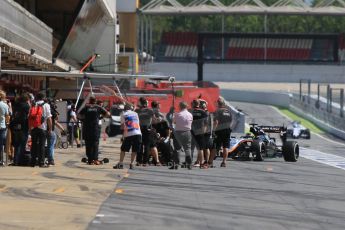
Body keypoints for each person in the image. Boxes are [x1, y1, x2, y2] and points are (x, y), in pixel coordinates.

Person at [78, 95, 110, 165]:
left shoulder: (86, 107)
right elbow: (108, 114)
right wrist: (100, 117)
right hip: (95, 128)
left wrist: (83, 120)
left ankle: (90, 160)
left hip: (87, 128)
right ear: (95, 101)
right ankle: (95, 159)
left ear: (89, 101)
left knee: (88, 144)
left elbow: (78, 115)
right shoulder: (98, 107)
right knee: (95, 144)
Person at [113, 103, 141, 170]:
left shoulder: (123, 114)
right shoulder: (136, 113)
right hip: (138, 133)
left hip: (129, 134)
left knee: (123, 149)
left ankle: (121, 163)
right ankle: (131, 164)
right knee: (134, 150)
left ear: (124, 108)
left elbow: (122, 126)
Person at [29, 93, 52, 167]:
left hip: (33, 127)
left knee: (33, 145)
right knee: (42, 145)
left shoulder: (33, 104)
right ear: (43, 97)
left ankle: (32, 162)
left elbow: (29, 117)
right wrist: (50, 129)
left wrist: (30, 128)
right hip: (43, 128)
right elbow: (49, 118)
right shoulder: (46, 105)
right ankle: (41, 162)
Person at [209, 97, 232, 168]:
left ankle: (210, 162)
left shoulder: (217, 111)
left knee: (215, 146)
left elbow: (216, 122)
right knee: (226, 146)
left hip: (219, 130)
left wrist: (213, 131)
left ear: (218, 104)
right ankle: (224, 162)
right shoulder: (228, 112)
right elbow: (231, 122)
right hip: (227, 129)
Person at [170, 101, 193, 170]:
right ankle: (189, 164)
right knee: (187, 148)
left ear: (180, 106)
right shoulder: (190, 114)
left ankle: (176, 164)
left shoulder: (178, 114)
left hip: (178, 133)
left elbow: (174, 122)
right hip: (187, 132)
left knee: (177, 149)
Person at [10, 93, 30, 166]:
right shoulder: (26, 106)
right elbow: (29, 115)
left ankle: (15, 160)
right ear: (26, 99)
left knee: (17, 144)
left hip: (15, 126)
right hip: (24, 126)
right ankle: (20, 160)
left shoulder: (16, 105)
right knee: (22, 144)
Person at [134, 97, 154, 166]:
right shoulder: (150, 110)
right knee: (146, 145)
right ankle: (145, 161)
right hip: (147, 128)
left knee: (140, 145)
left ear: (140, 103)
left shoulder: (137, 110)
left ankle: (139, 161)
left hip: (139, 128)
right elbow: (154, 119)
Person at [46, 99, 65, 166]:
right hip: (50, 131)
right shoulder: (52, 112)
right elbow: (55, 120)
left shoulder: (44, 109)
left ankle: (44, 159)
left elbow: (56, 122)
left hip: (42, 130)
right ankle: (50, 160)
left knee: (46, 145)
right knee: (50, 146)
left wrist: (62, 129)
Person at [191, 99, 209, 169]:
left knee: (190, 147)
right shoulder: (203, 112)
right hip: (200, 132)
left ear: (192, 104)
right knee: (200, 148)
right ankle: (201, 163)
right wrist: (203, 131)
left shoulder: (190, 111)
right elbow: (206, 123)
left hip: (191, 131)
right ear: (199, 104)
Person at [0, 90, 10, 166]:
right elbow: (7, 116)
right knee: (1, 144)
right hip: (2, 126)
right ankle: (1, 160)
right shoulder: (4, 105)